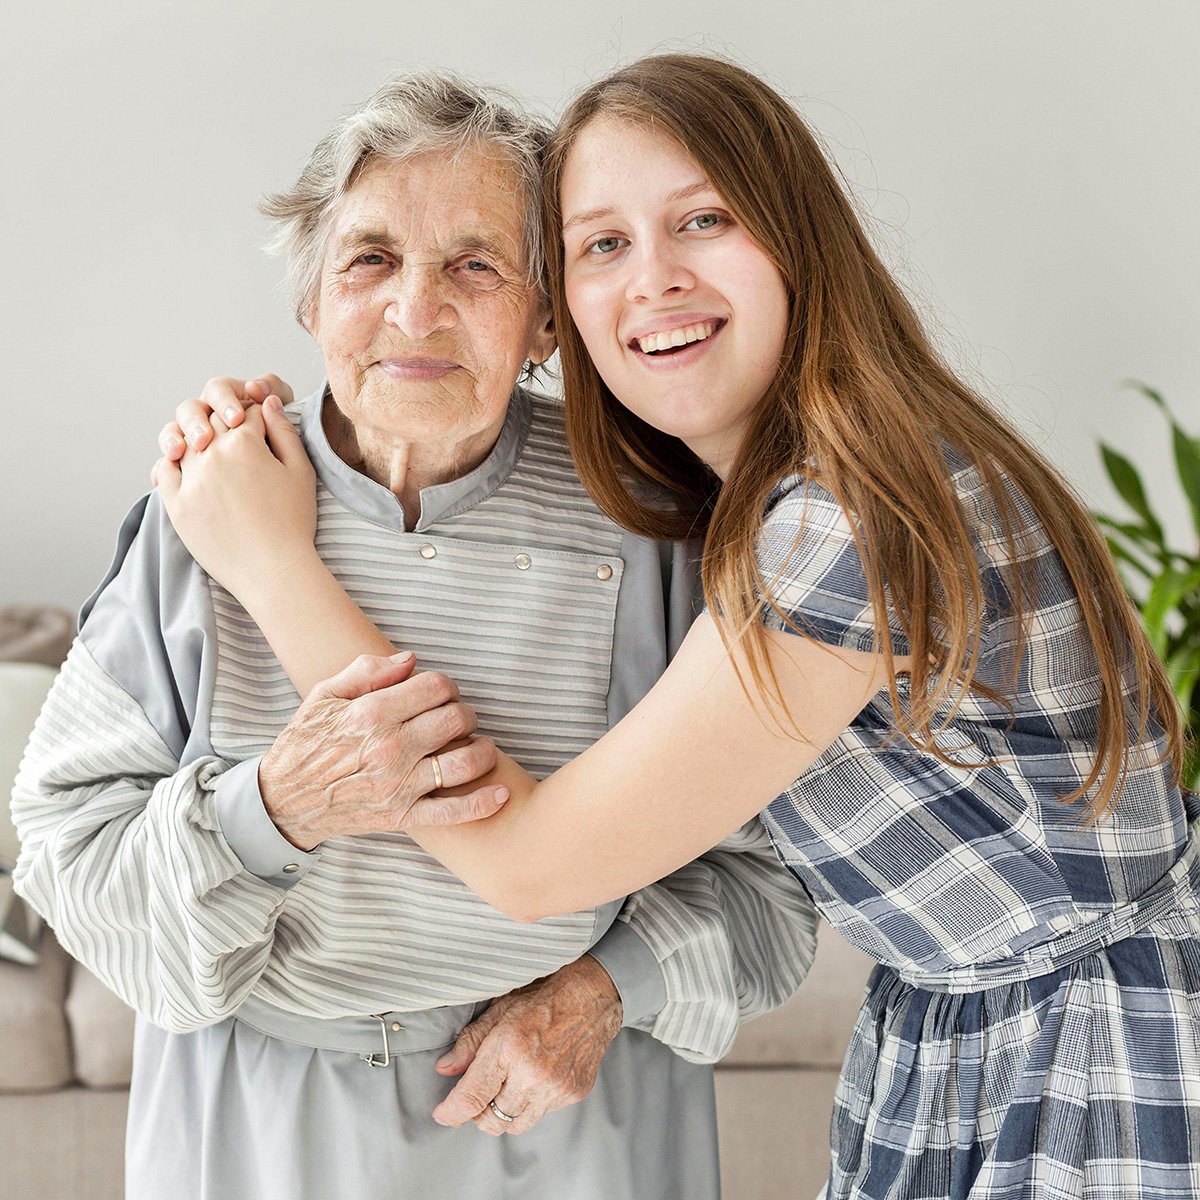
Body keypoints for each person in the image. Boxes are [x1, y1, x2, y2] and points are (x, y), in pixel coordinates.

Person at [153, 53, 1199, 1200]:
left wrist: (266, 560)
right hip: (959, 1025)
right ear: (563, 313)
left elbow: (533, 866)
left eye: (700, 221)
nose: (652, 280)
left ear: (797, 238)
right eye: (604, 243)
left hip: (1099, 1051)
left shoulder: (846, 526)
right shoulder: (752, 509)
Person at [11, 71, 820, 1200]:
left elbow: (773, 875)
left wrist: (604, 992)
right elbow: (64, 852)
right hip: (256, 1116)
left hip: (574, 1107)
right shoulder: (207, 500)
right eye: (372, 260)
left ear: (548, 315)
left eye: (476, 264)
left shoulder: (651, 515)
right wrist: (273, 809)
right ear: (311, 300)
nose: (416, 309)